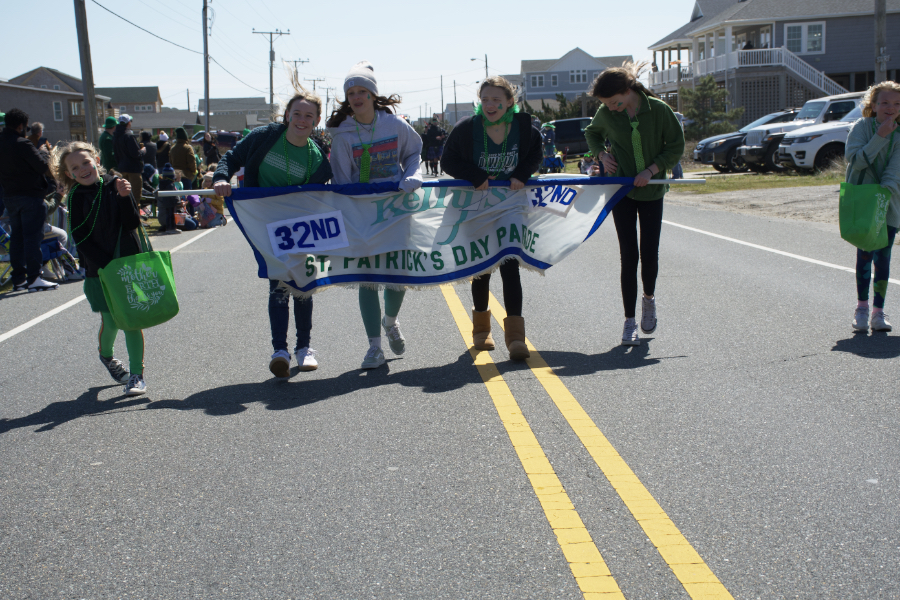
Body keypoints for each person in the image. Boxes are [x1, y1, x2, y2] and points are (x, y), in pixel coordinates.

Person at [214, 86, 332, 377]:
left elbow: (323, 197)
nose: (301, 120)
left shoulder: (318, 159)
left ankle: (304, 348)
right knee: (279, 281)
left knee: (304, 282)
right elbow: (231, 158)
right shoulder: (265, 136)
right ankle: (280, 349)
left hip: (301, 227)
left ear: (316, 121)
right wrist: (219, 178)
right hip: (265, 224)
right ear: (287, 115)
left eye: (308, 116)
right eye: (296, 114)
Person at [326, 61, 423, 369]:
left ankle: (390, 321)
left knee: (396, 278)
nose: (356, 97)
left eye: (362, 91)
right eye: (351, 92)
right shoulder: (342, 134)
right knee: (368, 280)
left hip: (395, 210)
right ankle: (374, 348)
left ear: (373, 95)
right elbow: (341, 179)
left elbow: (413, 153)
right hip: (362, 214)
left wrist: (413, 174)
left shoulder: (394, 125)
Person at [441, 76, 543, 360]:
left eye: (497, 100)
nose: (490, 105)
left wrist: (521, 174)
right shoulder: (466, 129)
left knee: (510, 265)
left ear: (510, 102)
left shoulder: (523, 128)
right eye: (485, 99)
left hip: (510, 205)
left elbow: (536, 154)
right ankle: (481, 331)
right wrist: (475, 175)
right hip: (476, 207)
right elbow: (447, 160)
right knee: (482, 267)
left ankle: (515, 338)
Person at [584, 63, 685, 346]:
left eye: (615, 102)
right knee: (629, 255)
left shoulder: (659, 110)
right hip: (622, 191)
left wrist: (652, 170)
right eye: (606, 104)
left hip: (652, 191)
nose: (611, 108)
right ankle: (629, 321)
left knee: (649, 252)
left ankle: (649, 299)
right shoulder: (606, 112)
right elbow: (592, 133)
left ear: (627, 91)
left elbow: (675, 145)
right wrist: (601, 156)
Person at [50, 141, 148, 396]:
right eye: (75, 167)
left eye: (85, 162)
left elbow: (132, 223)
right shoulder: (75, 197)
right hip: (100, 271)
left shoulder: (115, 184)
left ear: (95, 159)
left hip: (127, 265)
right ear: (69, 174)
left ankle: (137, 375)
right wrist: (106, 266)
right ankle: (106, 355)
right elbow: (81, 239)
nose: (82, 169)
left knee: (130, 320)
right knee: (111, 322)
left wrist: (126, 198)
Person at [847, 81, 900, 333]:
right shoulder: (861, 128)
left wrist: (884, 196)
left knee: (884, 258)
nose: (891, 108)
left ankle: (878, 313)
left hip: (888, 203)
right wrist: (880, 137)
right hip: (862, 201)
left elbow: (895, 171)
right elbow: (856, 161)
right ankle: (861, 309)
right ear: (873, 105)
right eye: (885, 102)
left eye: (897, 103)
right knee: (865, 255)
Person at [0, 108, 59, 292]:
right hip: (30, 196)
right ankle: (34, 277)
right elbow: (42, 167)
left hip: (10, 196)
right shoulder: (22, 143)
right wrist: (43, 152)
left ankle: (18, 279)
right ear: (21, 126)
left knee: (17, 237)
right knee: (33, 237)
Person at [113, 114, 143, 201]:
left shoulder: (115, 136)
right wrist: (143, 151)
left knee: (125, 196)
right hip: (133, 170)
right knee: (135, 197)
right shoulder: (129, 135)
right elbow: (135, 154)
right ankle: (135, 214)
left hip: (122, 169)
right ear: (128, 123)